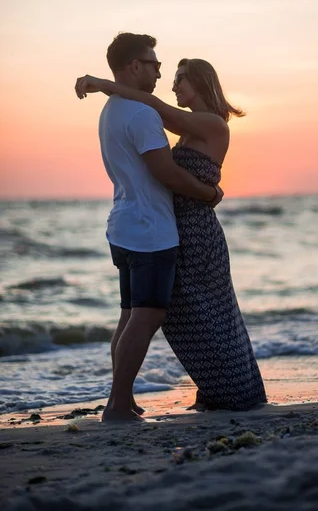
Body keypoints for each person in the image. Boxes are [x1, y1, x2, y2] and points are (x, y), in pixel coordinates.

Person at [76, 53, 267, 412]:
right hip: (175, 230)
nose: (174, 84)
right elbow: (152, 109)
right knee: (186, 317)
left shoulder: (212, 125)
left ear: (200, 82)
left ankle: (233, 391)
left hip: (197, 234)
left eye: (181, 78)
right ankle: (211, 389)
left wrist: (103, 85)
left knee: (208, 316)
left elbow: (152, 104)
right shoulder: (192, 127)